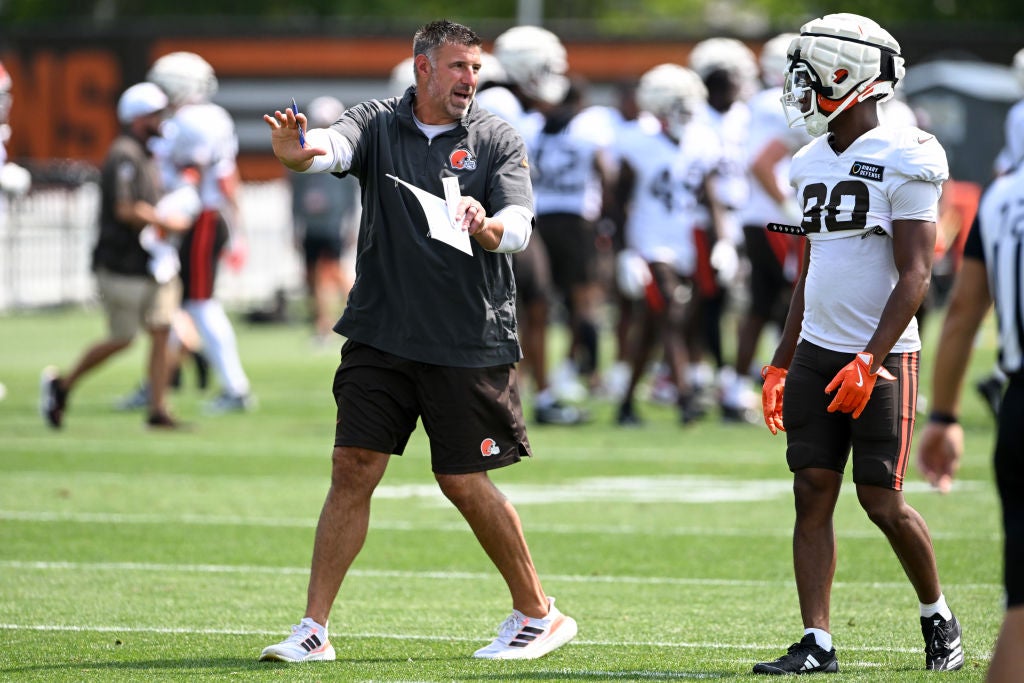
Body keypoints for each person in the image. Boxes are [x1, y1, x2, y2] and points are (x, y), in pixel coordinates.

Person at [258, 19, 577, 663]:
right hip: (380, 332)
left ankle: (538, 613)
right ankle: (313, 628)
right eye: (458, 67)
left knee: (462, 479)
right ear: (422, 68)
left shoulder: (497, 137)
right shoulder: (377, 122)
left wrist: (486, 225)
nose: (470, 80)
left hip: (466, 336)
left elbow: (518, 225)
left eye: (475, 69)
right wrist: (295, 150)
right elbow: (322, 148)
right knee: (352, 467)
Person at [755, 13, 963, 674]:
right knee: (811, 490)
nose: (799, 88)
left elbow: (916, 275)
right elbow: (810, 269)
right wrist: (782, 360)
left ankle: (939, 616)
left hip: (884, 353)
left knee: (882, 500)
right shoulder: (810, 161)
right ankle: (817, 640)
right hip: (818, 349)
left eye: (808, 73)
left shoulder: (908, 152)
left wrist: (871, 359)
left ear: (847, 72)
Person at [916, 161, 1023, 683]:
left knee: (1021, 608)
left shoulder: (1003, 194)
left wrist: (943, 415)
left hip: (1020, 409)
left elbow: (962, 311)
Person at [39, 83, 189, 429]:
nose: (160, 120)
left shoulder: (147, 153)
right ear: (138, 118)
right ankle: (62, 385)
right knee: (122, 337)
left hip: (153, 262)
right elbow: (126, 208)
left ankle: (157, 408)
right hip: (123, 262)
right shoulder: (125, 153)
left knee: (163, 329)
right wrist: (167, 221)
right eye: (154, 114)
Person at [476, 25, 590, 424]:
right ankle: (518, 397)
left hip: (513, 216)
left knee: (533, 305)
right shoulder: (498, 101)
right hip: (496, 218)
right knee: (517, 309)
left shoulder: (511, 102)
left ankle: (532, 394)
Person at [609, 63, 724, 427]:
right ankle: (686, 397)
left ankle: (626, 403)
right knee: (671, 312)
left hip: (689, 240)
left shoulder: (702, 140)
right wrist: (623, 250)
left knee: (656, 324)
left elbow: (709, 196)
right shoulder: (635, 141)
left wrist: (724, 243)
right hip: (650, 241)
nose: (685, 113)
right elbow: (617, 202)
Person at [147, 51, 255, 414]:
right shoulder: (207, 117)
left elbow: (199, 177)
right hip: (202, 216)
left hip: (198, 219)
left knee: (198, 303)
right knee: (173, 305)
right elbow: (227, 176)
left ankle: (235, 387)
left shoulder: (194, 121)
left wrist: (167, 214)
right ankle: (156, 383)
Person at [732, 33, 809, 422]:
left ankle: (734, 387)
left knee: (759, 304)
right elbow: (762, 163)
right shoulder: (780, 102)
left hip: (753, 214)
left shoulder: (754, 102)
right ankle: (791, 381)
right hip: (775, 217)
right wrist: (788, 206)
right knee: (792, 301)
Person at [289, 95, 360, 342]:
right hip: (311, 225)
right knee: (312, 276)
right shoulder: (301, 153)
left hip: (332, 224)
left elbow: (350, 197)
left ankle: (332, 323)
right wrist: (295, 227)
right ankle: (329, 320)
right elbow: (295, 196)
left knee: (328, 273)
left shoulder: (344, 155)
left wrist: (349, 225)